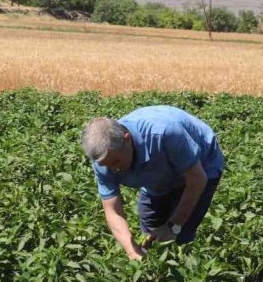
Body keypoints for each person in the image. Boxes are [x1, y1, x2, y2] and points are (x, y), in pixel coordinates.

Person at [81, 106, 225, 261]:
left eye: (116, 161)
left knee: (180, 234)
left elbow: (197, 179)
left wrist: (173, 226)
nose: (113, 169)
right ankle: (156, 264)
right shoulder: (104, 160)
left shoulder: (166, 133)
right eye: (106, 164)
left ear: (127, 139)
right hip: (158, 173)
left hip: (201, 166)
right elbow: (112, 210)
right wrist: (132, 250)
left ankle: (181, 262)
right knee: (151, 230)